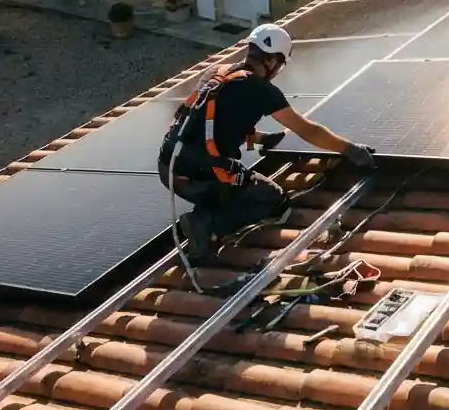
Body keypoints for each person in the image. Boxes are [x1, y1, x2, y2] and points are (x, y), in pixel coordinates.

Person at [158, 23, 375, 262]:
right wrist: (350, 149)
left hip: (169, 167)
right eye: (280, 63)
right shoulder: (262, 90)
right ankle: (206, 224)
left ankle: (207, 213)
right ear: (272, 61)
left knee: (232, 189)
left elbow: (213, 122)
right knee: (274, 200)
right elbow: (306, 129)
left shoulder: (218, 73)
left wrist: (261, 138)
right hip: (201, 178)